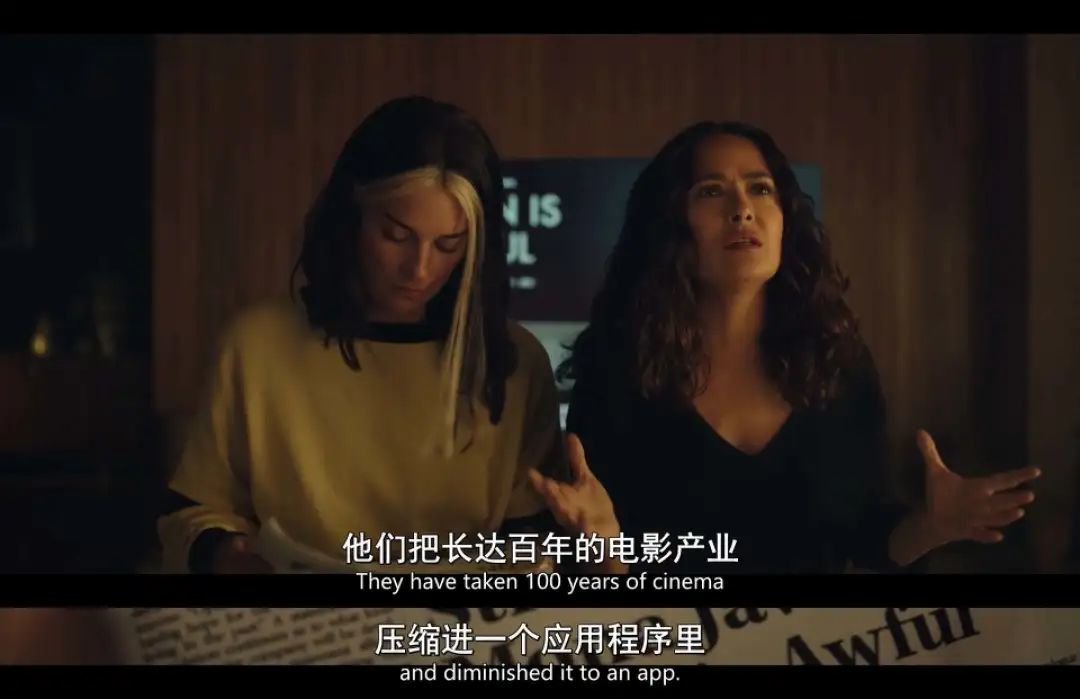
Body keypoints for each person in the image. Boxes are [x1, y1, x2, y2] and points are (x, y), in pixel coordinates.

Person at [529, 120, 1041, 574]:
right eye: (712, 191)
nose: (742, 210)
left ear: (785, 217)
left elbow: (869, 541)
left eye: (760, 189)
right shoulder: (619, 370)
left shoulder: (837, 362)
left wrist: (932, 526)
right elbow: (605, 576)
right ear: (669, 225)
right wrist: (603, 547)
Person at [158, 96, 568, 574]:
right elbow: (191, 515)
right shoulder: (256, 347)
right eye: (396, 236)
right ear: (351, 217)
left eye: (448, 245)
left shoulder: (512, 363)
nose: (419, 270)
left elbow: (534, 543)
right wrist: (226, 555)